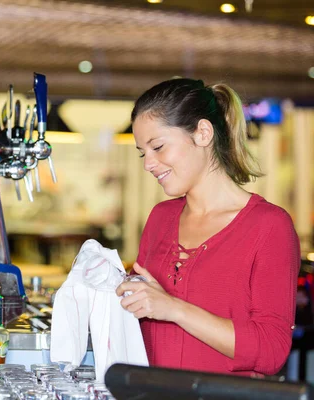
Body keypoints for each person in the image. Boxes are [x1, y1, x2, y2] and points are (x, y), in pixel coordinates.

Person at [115, 78, 300, 377]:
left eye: (158, 147)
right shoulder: (160, 218)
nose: (148, 164)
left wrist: (173, 308)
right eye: (142, 153)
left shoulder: (269, 226)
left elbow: (270, 352)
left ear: (203, 133)